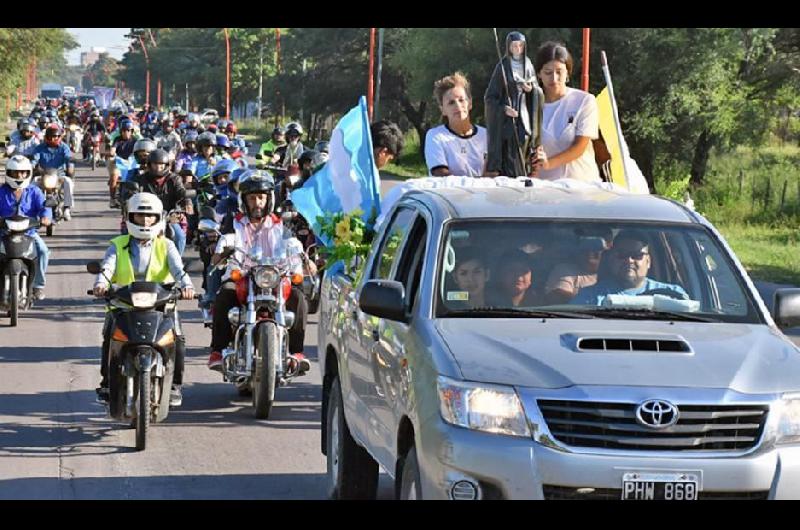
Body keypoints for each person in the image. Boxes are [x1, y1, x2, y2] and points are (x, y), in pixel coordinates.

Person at [92, 192, 195, 406]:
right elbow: (107, 267)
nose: (146, 221)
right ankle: (107, 384)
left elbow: (179, 270)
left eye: (150, 217)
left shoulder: (166, 245)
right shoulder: (117, 245)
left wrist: (187, 286)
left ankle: (175, 385)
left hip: (161, 304)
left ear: (159, 219)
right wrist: (101, 284)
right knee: (110, 339)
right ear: (130, 217)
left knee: (178, 339)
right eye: (140, 216)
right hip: (123, 304)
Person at [206, 172, 309, 376]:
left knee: (299, 298)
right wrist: (222, 251)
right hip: (243, 276)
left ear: (269, 199)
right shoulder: (233, 222)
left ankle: (297, 353)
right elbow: (221, 249)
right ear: (244, 200)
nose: (257, 202)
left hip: (274, 276)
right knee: (225, 293)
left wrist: (305, 258)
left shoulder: (280, 224)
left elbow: (293, 245)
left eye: (261, 197)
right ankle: (217, 351)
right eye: (252, 197)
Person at [530, 41, 601, 183]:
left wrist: (549, 163)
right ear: (539, 74)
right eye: (548, 73)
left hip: (581, 187)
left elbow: (580, 146)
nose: (554, 79)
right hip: (545, 189)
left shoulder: (584, 101)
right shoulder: (530, 105)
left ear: (567, 72)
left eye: (559, 72)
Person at [571, 230, 688, 306]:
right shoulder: (589, 298)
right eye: (622, 255)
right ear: (611, 260)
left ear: (648, 261)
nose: (629, 260)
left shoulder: (673, 295)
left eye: (637, 255)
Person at [484, 31, 544, 177]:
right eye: (514, 46)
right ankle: (512, 177)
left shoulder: (527, 64)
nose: (518, 49)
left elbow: (537, 90)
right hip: (508, 119)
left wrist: (531, 90)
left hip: (524, 114)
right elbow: (490, 97)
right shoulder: (503, 67)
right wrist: (504, 109)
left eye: (520, 46)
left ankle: (523, 174)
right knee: (511, 147)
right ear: (509, 47)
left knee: (524, 141)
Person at [0, 155, 52, 300]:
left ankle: (38, 286)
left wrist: (46, 218)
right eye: (16, 173)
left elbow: (44, 207)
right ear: (9, 173)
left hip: (28, 233)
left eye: (23, 173)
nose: (20, 176)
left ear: (28, 173)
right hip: (4, 233)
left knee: (43, 251)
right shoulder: (1, 191)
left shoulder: (34, 191)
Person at [126, 149, 193, 256]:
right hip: (146, 216)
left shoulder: (174, 179)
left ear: (167, 165)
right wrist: (128, 198)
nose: (158, 168)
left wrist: (187, 202)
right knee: (127, 234)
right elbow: (131, 193)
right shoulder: (140, 179)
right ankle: (126, 258)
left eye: (161, 165)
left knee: (179, 237)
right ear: (149, 165)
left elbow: (181, 192)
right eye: (155, 165)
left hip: (169, 215)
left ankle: (176, 263)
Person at [425, 72, 488, 177]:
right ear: (443, 110)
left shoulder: (486, 136)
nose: (458, 106)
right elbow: (441, 174)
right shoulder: (435, 137)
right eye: (451, 103)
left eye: (461, 100)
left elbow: (493, 174)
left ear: (470, 103)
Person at [544, 227, 612, 304]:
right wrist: (597, 301)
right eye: (585, 247)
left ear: (608, 251)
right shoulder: (565, 270)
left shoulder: (615, 274)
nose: (590, 252)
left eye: (596, 246)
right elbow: (557, 297)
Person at [31, 124, 75, 221]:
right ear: (46, 136)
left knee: (69, 183)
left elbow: (68, 156)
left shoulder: (64, 147)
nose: (53, 138)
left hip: (59, 175)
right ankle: (31, 210)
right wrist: (31, 165)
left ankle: (67, 208)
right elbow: (35, 158)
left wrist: (70, 160)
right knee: (31, 185)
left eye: (55, 136)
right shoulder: (40, 147)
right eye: (51, 136)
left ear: (59, 136)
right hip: (43, 175)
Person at [107, 119, 139, 207]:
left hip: (132, 163)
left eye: (128, 130)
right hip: (118, 162)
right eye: (124, 130)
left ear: (131, 131)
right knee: (114, 176)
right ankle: (112, 199)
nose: (126, 132)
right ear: (121, 131)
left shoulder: (135, 140)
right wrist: (112, 152)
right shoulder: (117, 140)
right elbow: (113, 149)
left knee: (141, 176)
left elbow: (139, 150)